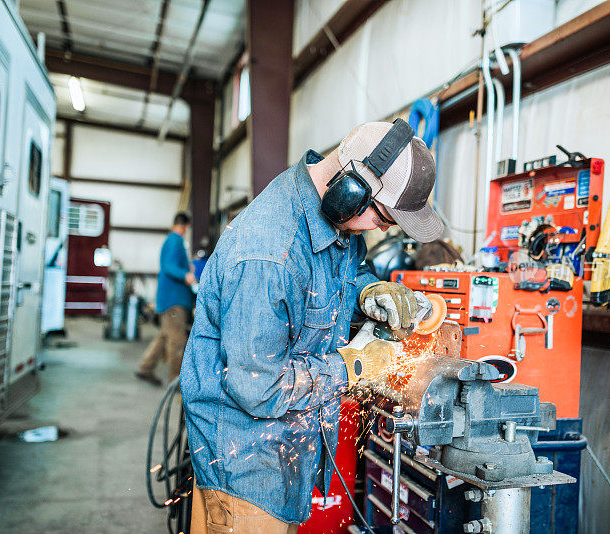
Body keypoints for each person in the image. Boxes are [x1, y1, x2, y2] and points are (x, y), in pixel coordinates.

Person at [180, 120, 444, 533]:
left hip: (286, 452)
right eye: (385, 218)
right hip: (245, 466)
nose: (384, 229)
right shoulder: (269, 254)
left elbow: (334, 277)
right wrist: (356, 366)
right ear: (349, 188)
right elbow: (258, 386)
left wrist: (369, 290)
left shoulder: (332, 219)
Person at [135, 212, 197, 386]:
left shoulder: (172, 241)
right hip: (174, 302)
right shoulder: (175, 241)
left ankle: (145, 368)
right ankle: (175, 381)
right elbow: (169, 266)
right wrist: (186, 274)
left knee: (164, 336)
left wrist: (186, 267)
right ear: (186, 226)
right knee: (177, 341)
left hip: (169, 299)